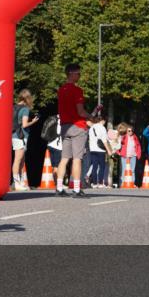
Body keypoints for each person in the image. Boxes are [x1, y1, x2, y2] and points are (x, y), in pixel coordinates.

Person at [55, 63, 91, 198]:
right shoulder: (77, 90)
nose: (79, 76)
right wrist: (92, 117)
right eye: (78, 73)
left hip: (65, 127)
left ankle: (59, 188)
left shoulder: (61, 90)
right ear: (71, 73)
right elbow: (80, 111)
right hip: (77, 126)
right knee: (77, 159)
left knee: (64, 158)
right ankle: (76, 189)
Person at [12, 89, 37, 190]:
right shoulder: (25, 109)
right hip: (21, 136)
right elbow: (25, 124)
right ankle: (17, 183)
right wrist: (34, 121)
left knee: (21, 160)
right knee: (18, 160)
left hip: (14, 134)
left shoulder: (13, 107)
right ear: (28, 98)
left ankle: (21, 182)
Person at [85, 116, 111, 188]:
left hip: (92, 149)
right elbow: (104, 140)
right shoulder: (102, 128)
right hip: (100, 150)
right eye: (104, 121)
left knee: (94, 166)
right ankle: (100, 183)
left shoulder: (91, 128)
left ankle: (94, 183)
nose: (104, 123)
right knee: (102, 166)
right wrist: (108, 150)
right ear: (102, 120)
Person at [116, 123, 141, 187]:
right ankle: (123, 183)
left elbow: (138, 145)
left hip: (133, 155)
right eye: (129, 131)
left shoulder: (134, 137)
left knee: (132, 170)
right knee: (124, 169)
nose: (131, 132)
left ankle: (132, 183)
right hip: (125, 156)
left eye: (132, 130)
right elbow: (117, 143)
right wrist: (118, 152)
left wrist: (138, 154)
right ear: (126, 131)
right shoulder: (123, 137)